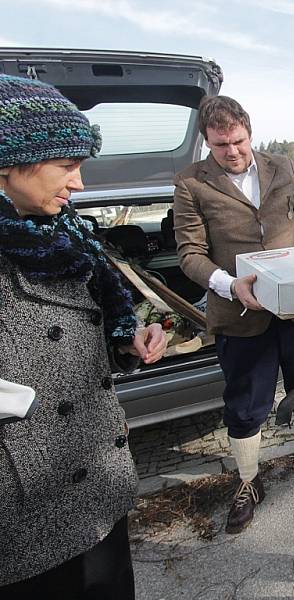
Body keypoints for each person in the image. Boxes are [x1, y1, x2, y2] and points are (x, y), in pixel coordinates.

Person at [0, 74, 168, 598]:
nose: (79, 184)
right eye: (67, 166)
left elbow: (88, 328)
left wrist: (126, 342)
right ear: (9, 161)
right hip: (25, 502)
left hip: (95, 482)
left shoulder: (67, 236)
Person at [172, 95, 294, 535]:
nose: (231, 151)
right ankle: (248, 482)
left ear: (249, 132)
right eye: (220, 145)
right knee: (246, 405)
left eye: (237, 140)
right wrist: (229, 284)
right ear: (207, 144)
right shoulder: (191, 183)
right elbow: (189, 254)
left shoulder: (283, 167)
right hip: (240, 315)